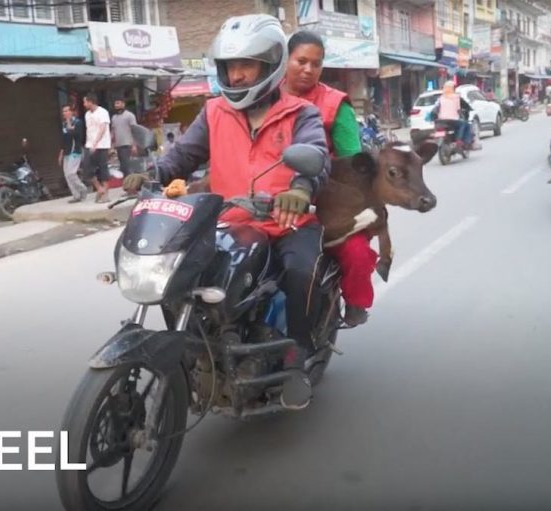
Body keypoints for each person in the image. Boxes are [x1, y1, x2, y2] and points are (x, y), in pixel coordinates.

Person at [123, 14, 330, 410]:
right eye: (230, 67)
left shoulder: (301, 113)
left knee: (302, 270)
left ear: (268, 66)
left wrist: (300, 190)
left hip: (285, 222)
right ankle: (197, 347)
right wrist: (152, 174)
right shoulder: (215, 111)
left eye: (245, 66)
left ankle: (299, 356)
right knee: (179, 270)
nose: (236, 77)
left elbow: (317, 156)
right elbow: (185, 154)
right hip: (230, 222)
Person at [283, 29, 373, 327]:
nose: (308, 69)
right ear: (285, 60)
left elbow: (352, 165)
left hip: (323, 200)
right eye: (301, 61)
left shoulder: (335, 104)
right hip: (267, 197)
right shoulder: (265, 97)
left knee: (356, 252)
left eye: (316, 63)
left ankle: (355, 301)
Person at [82, 92, 112, 203]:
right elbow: (89, 130)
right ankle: (99, 188)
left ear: (90, 102)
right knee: (87, 168)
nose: (84, 104)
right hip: (89, 145)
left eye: (85, 102)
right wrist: (89, 143)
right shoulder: (87, 115)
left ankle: (106, 194)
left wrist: (96, 143)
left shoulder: (102, 112)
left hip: (102, 145)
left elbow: (102, 128)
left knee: (103, 169)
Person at [58, 104, 88, 203]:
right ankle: (76, 195)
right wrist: (61, 153)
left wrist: (70, 127)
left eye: (67, 111)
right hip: (66, 152)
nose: (65, 113)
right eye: (63, 111)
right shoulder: (63, 124)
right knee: (66, 175)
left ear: (71, 112)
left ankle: (83, 189)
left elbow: (78, 136)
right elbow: (64, 139)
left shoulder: (77, 122)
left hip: (75, 151)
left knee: (71, 173)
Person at [432, 80, 474, 148]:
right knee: (464, 124)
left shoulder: (441, 97)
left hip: (440, 120)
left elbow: (436, 108)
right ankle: (459, 140)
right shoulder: (456, 97)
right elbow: (459, 110)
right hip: (452, 120)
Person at [111, 98, 138, 177]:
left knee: (126, 166)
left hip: (127, 144)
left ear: (123, 104)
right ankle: (126, 182)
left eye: (118, 103)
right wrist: (111, 145)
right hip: (118, 145)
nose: (116, 105)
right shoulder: (114, 117)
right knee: (122, 166)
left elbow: (134, 131)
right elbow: (113, 132)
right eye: (115, 104)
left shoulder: (129, 115)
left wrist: (134, 145)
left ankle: (130, 181)